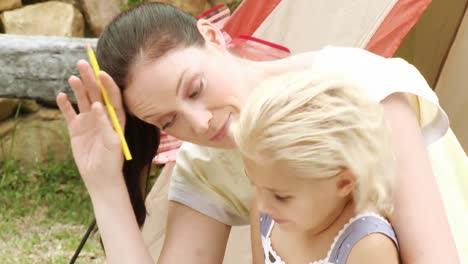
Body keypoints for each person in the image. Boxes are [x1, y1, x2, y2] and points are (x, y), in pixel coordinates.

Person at [55, 2, 459, 263]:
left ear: (213, 38)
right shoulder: (206, 162)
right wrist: (104, 183)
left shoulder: (358, 89)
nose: (199, 124)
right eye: (168, 122)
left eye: (195, 89)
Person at [231, 71, 400, 263]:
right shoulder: (267, 211)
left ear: (344, 182)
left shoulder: (368, 247)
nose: (261, 204)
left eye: (282, 197)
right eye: (255, 185)